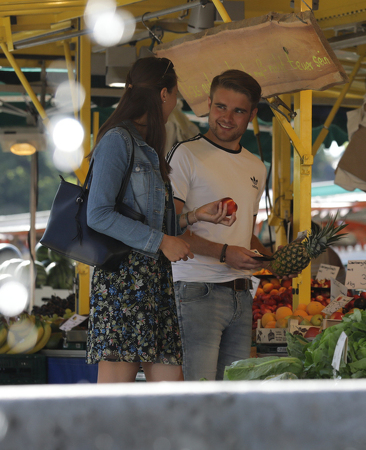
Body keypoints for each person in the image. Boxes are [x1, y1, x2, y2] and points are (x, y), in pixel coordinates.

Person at [84, 57, 232, 383]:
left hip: (156, 283)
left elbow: (148, 220)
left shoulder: (147, 145)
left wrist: (192, 216)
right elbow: (98, 214)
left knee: (172, 398)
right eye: (175, 95)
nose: (175, 103)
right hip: (122, 285)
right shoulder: (116, 141)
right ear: (164, 94)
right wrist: (162, 241)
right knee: (115, 402)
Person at [168, 69, 273, 381]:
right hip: (195, 290)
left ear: (252, 115)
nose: (227, 118)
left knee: (233, 395)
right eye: (220, 107)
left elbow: (245, 234)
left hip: (242, 293)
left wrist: (272, 259)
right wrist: (225, 253)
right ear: (209, 105)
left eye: (239, 110)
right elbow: (169, 227)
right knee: (198, 395)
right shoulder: (186, 154)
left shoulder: (257, 166)